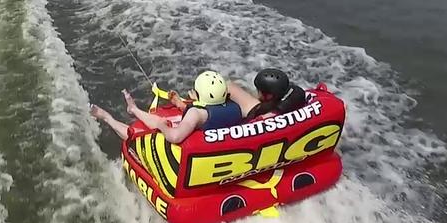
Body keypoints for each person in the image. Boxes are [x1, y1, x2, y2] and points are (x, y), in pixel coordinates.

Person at [90, 70, 243, 144]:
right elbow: (209, 115)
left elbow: (175, 137)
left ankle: (107, 117)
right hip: (217, 145)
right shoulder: (235, 108)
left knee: (147, 130)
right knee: (167, 122)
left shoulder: (196, 114)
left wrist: (161, 125)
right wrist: (181, 104)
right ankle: (134, 110)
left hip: (189, 152)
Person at [227, 68, 307, 119]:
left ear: (268, 96)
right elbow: (297, 91)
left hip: (252, 112)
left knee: (230, 87)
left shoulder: (260, 112)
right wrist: (275, 112)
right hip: (272, 108)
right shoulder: (292, 100)